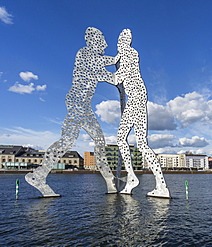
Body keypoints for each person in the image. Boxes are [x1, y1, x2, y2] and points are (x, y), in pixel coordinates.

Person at [25, 27, 118, 197]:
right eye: (101, 39)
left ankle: (110, 182)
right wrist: (117, 59)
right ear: (93, 41)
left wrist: (119, 72)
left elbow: (109, 77)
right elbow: (101, 68)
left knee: (79, 141)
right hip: (78, 103)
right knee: (87, 141)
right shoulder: (84, 54)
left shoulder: (94, 62)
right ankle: (110, 181)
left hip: (83, 105)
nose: (105, 43)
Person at [113, 29, 171, 198]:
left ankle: (131, 177)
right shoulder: (128, 54)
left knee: (121, 138)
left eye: (121, 40)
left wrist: (98, 74)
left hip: (136, 100)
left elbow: (119, 78)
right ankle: (162, 186)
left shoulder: (128, 54)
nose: (118, 43)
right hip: (139, 98)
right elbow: (118, 70)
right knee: (142, 144)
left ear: (125, 42)